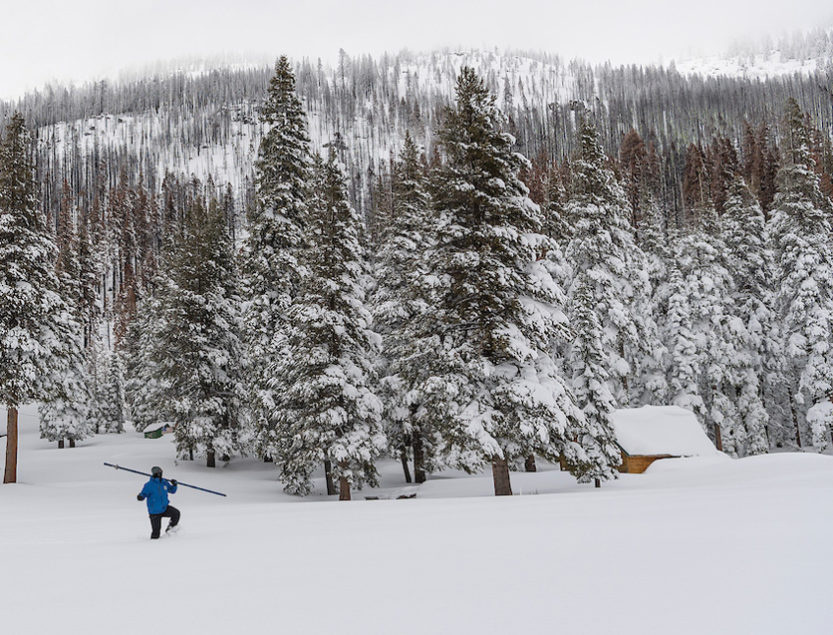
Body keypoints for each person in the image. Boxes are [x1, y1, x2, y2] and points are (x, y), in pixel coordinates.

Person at [137, 466, 181, 539]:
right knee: (156, 531)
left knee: (176, 513)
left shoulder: (164, 483)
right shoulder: (149, 485)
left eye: (161, 473)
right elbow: (143, 494)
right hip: (155, 512)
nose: (160, 474)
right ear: (155, 474)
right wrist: (140, 497)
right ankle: (153, 545)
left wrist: (174, 485)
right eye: (159, 473)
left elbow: (172, 491)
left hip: (164, 508)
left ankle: (170, 529)